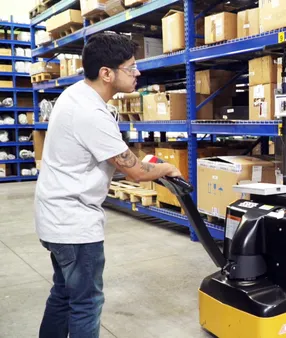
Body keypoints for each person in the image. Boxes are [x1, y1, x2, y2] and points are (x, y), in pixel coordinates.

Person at [34, 33, 182, 338]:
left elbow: (114, 155)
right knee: (87, 303)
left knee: (64, 295)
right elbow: (137, 173)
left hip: (55, 217)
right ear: (106, 73)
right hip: (74, 226)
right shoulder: (91, 113)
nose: (137, 73)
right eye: (131, 67)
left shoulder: (76, 95)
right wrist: (167, 167)